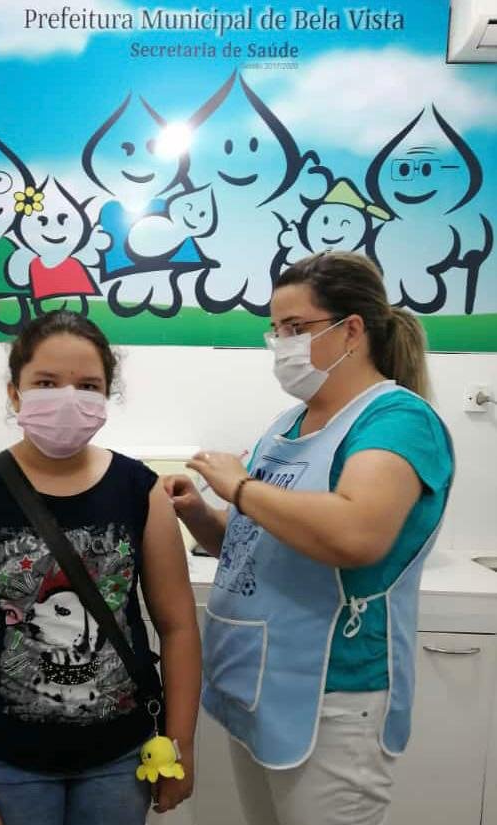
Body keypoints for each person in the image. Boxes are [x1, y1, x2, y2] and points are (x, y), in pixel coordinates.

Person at [165, 252, 454, 825]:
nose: (283, 345)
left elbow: (354, 534)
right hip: (258, 685)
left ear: (352, 330)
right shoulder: (287, 425)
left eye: (296, 328)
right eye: (276, 330)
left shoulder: (397, 420)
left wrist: (240, 486)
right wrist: (199, 512)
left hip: (334, 697)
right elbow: (254, 544)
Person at [0, 310, 201, 825]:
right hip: (7, 763)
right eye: (47, 383)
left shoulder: (139, 491)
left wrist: (179, 745)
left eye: (88, 385)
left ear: (107, 396)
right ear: (15, 394)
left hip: (120, 759)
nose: (68, 399)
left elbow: (179, 627)